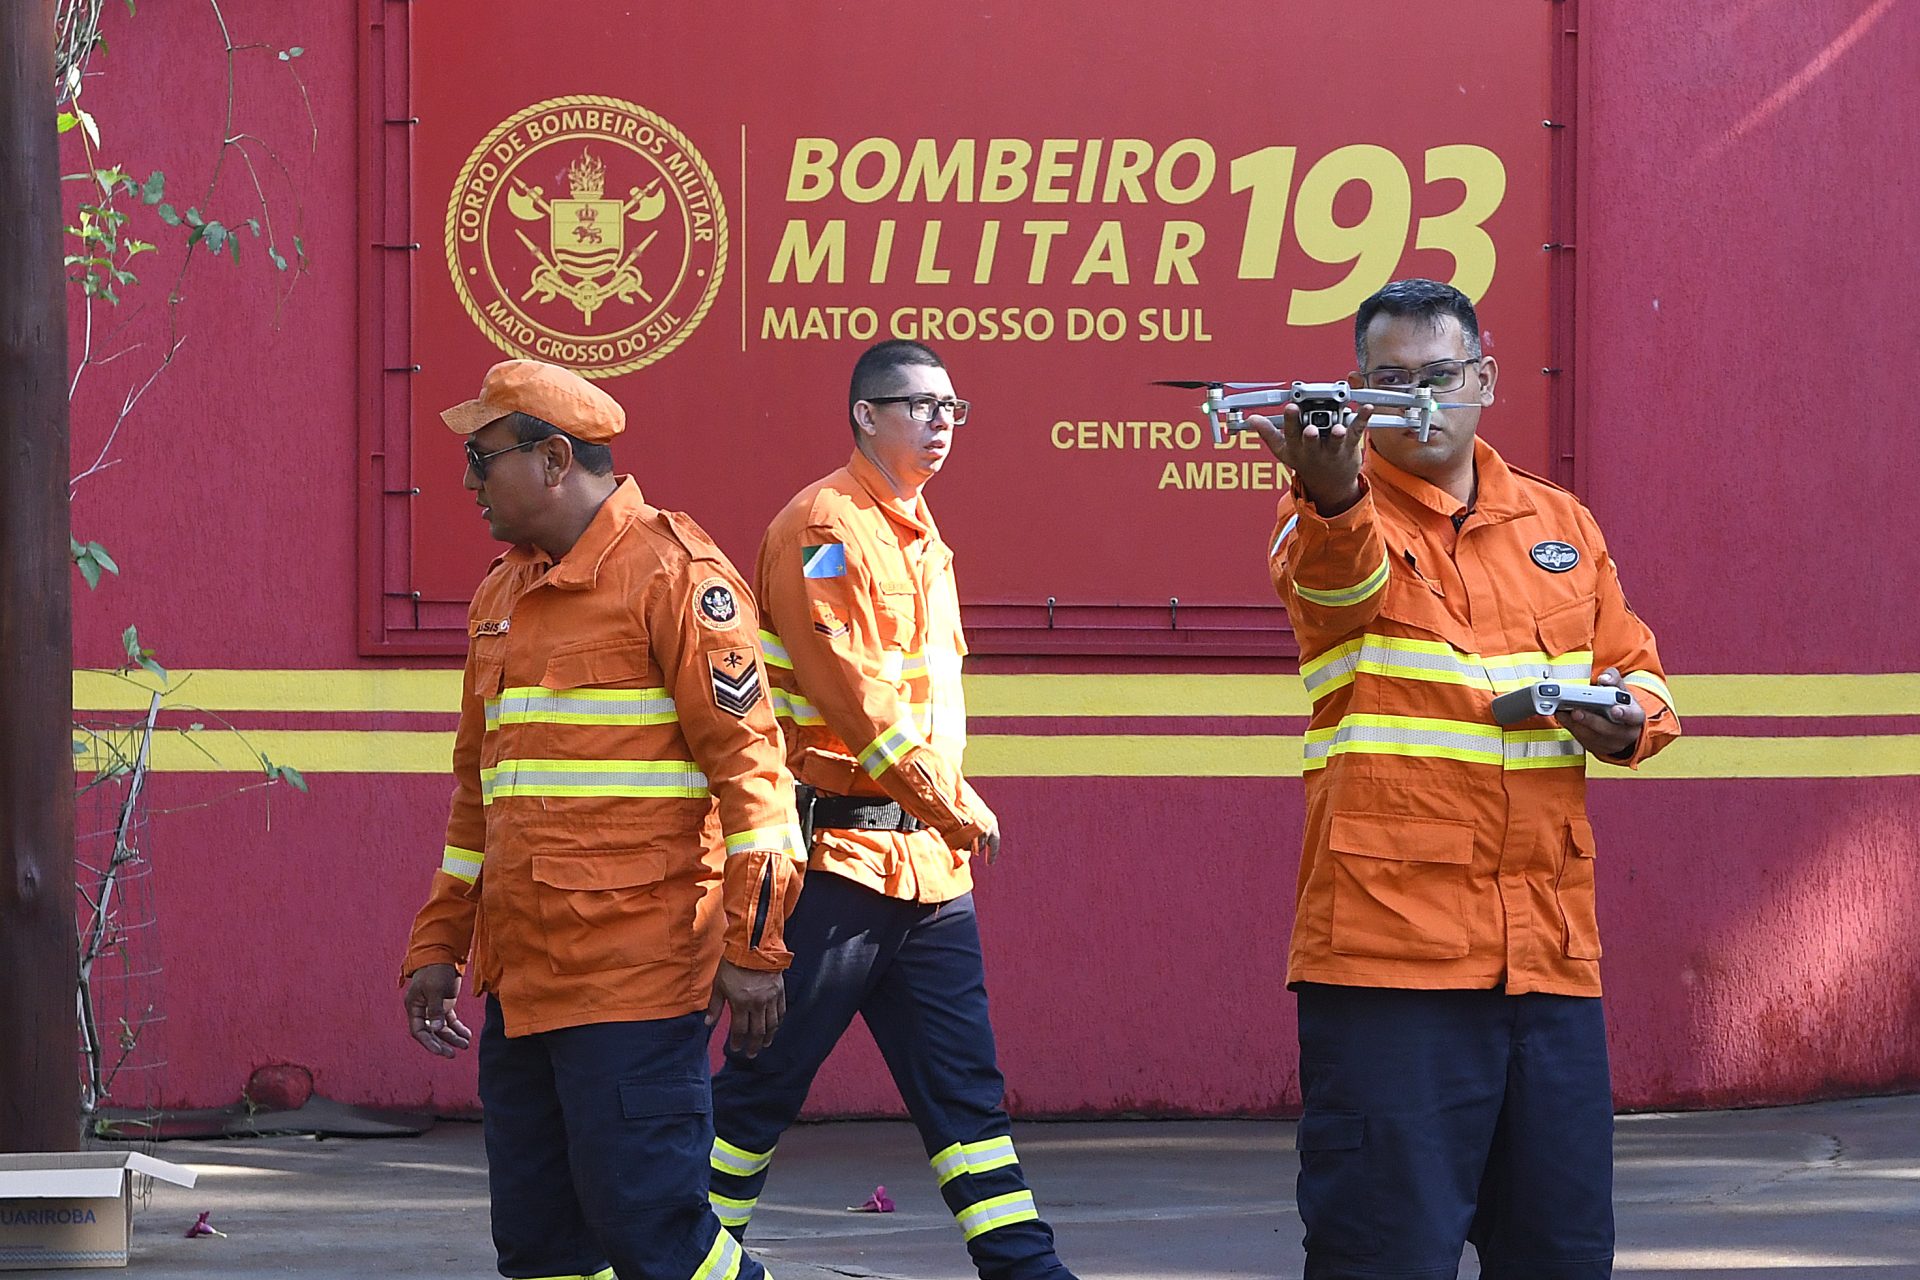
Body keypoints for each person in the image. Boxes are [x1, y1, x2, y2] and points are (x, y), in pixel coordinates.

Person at [1253, 279, 1680, 1280]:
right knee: (1383, 1255)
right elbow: (1339, 587)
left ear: (1484, 376)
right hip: (1388, 964)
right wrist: (1330, 489)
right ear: (1357, 394)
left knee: (1563, 1254)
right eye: (1388, 381)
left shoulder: (1561, 522)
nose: (1417, 400)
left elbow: (1639, 669)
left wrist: (1628, 720)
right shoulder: (1326, 513)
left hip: (1548, 966)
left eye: (1436, 376)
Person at [399, 358, 805, 1280]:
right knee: (541, 1247)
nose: (466, 482)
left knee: (655, 1238)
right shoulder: (499, 597)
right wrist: (438, 943)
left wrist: (754, 949)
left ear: (551, 459)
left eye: (481, 456)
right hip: (525, 984)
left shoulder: (676, 577)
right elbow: (480, 796)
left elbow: (756, 782)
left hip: (635, 978)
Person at [706, 340, 1077, 1280]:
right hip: (841, 863)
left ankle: (1027, 1269)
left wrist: (941, 819)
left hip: (929, 876)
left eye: (952, 406)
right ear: (865, 416)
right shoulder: (823, 526)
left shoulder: (921, 534)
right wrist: (948, 800)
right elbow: (851, 693)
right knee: (760, 1092)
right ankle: (681, 1252)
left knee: (967, 1102)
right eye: (919, 405)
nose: (941, 421)